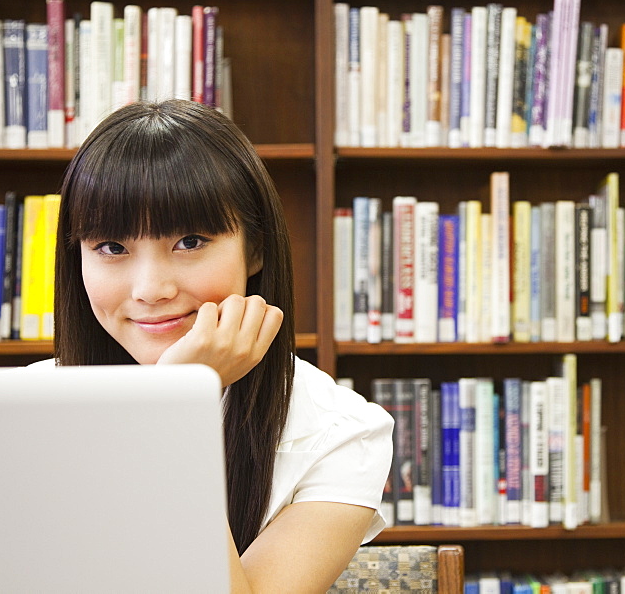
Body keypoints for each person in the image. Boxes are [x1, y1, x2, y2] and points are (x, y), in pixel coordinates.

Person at [46, 98, 394, 593]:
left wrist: (177, 403)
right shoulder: (16, 410)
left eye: (189, 242)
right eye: (112, 248)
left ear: (254, 248)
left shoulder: (341, 433)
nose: (150, 288)